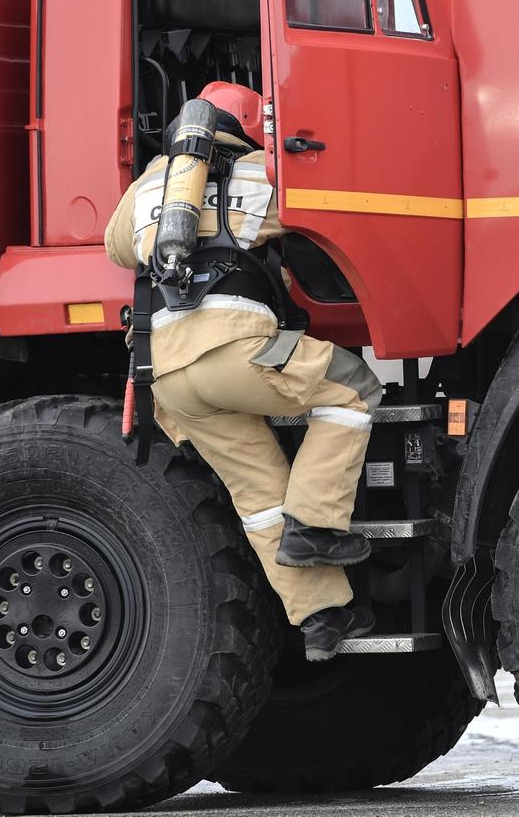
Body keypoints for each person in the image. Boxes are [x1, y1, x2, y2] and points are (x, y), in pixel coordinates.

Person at [104, 82, 379, 662]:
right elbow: (327, 219)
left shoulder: (152, 182)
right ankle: (316, 524)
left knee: (258, 495)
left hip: (165, 377)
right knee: (352, 389)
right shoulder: (259, 173)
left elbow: (116, 247)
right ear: (249, 128)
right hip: (236, 352)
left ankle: (324, 617)